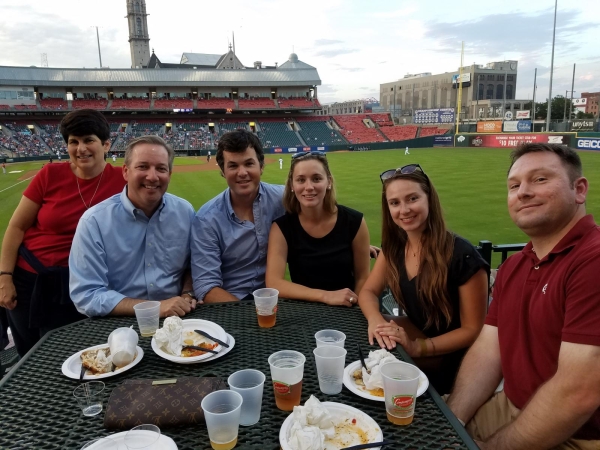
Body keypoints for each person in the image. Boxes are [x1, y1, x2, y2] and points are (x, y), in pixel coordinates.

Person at [447, 143, 600, 449]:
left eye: (540, 179)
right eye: (515, 185)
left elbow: (578, 392)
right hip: (511, 406)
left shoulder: (592, 260)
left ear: (579, 190)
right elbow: (488, 352)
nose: (523, 192)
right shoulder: (515, 265)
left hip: (581, 434)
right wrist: (452, 422)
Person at [0, 109, 126, 356]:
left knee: (79, 353)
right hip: (31, 281)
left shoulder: (122, 180)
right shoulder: (50, 174)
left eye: (89, 140)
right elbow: (16, 227)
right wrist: (4, 277)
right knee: (31, 355)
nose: (81, 149)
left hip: (86, 284)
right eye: (73, 141)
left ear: (106, 144)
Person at [358, 164, 488, 394]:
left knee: (372, 371)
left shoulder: (462, 256)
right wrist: (376, 321)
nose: (404, 209)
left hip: (453, 360)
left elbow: (472, 330)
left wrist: (419, 348)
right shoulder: (395, 247)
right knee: (364, 341)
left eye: (412, 199)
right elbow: (368, 292)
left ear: (429, 199)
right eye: (395, 203)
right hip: (416, 339)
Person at [70, 135, 196, 317]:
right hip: (118, 323)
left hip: (177, 318)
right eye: (142, 167)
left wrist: (187, 292)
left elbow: (193, 265)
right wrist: (155, 307)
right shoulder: (94, 222)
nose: (152, 177)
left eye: (161, 168)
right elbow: (86, 295)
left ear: (169, 174)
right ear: (125, 171)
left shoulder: (185, 212)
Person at [265, 151, 370, 306]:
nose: (309, 187)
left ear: (329, 182)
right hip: (305, 312)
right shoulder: (282, 228)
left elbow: (363, 278)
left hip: (348, 309)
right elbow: (274, 283)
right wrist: (326, 296)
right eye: (301, 180)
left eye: (316, 179)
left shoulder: (354, 222)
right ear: (292, 186)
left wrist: (355, 308)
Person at [191, 130, 285, 302]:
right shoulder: (207, 219)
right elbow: (207, 286)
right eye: (233, 166)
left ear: (261, 166)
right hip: (230, 305)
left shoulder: (284, 200)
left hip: (273, 301)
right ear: (222, 171)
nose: (242, 173)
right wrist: (250, 315)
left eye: (249, 164)